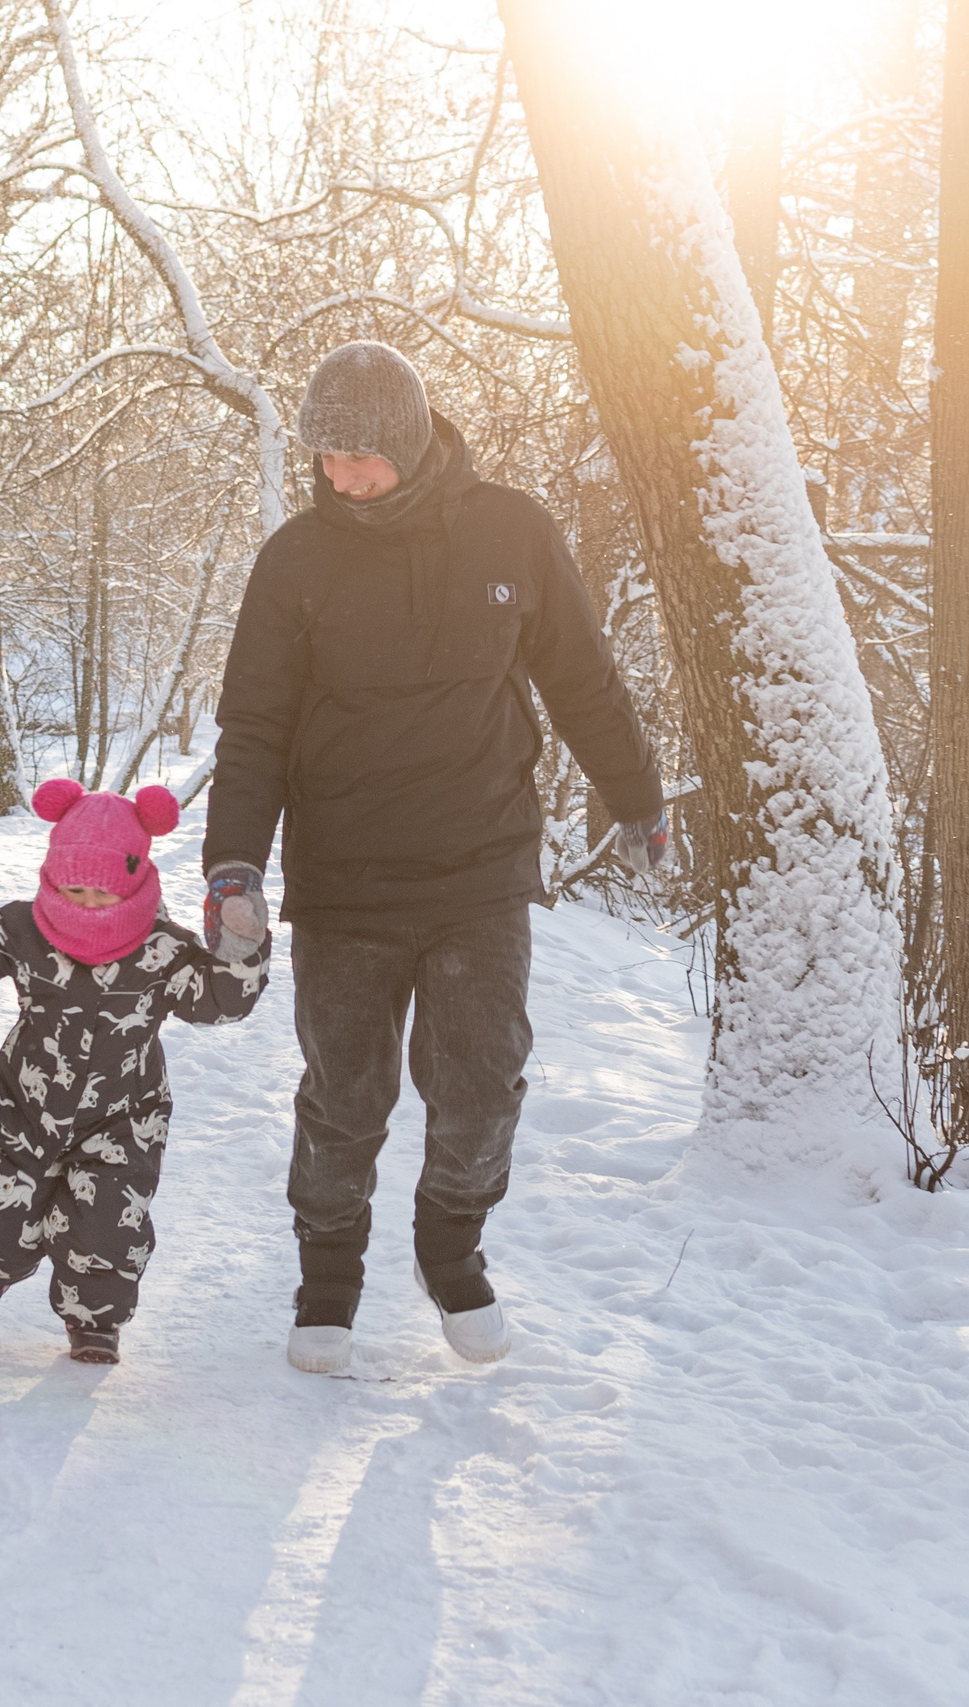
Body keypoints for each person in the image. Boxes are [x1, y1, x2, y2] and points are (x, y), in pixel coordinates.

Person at [203, 340, 669, 1376]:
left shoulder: (512, 533)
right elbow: (254, 726)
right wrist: (234, 864)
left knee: (481, 1081)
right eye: (326, 459)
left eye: (361, 458)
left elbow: (583, 679)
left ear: (410, 444)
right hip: (345, 876)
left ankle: (448, 1242)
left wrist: (636, 799)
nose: (341, 479)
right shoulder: (296, 560)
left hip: (480, 867)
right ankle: (328, 1276)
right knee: (344, 1093)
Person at [0, 779, 270, 1365]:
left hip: (124, 1119)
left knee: (107, 1227)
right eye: (75, 887)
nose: (88, 903)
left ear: (137, 882)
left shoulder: (162, 950)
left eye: (105, 892)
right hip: (25, 1111)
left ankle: (94, 1321)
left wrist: (240, 942)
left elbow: (220, 998)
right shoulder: (26, 929)